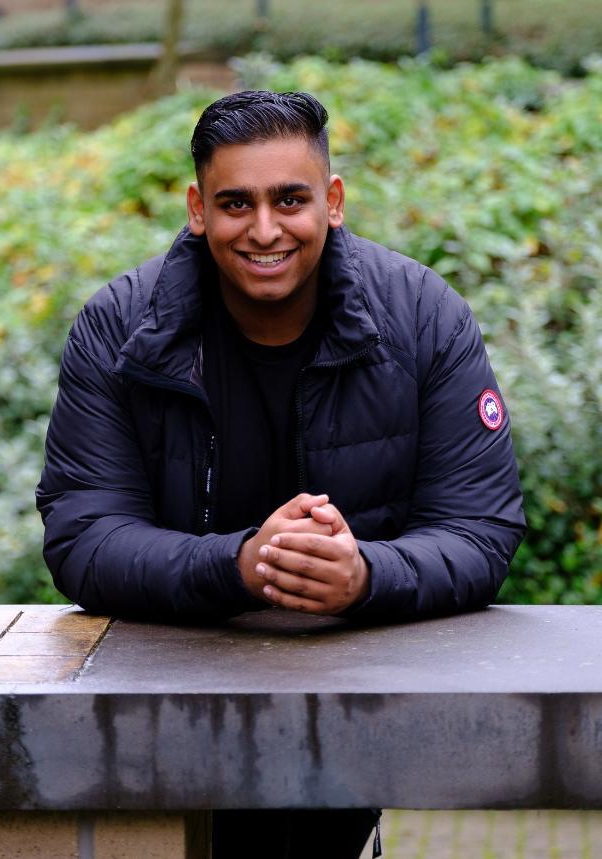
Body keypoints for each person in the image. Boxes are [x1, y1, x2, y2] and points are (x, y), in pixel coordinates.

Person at [36, 90, 525, 858]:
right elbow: (83, 534)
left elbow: (482, 529)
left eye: (290, 199)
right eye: (236, 203)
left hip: (350, 734)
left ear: (331, 201)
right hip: (159, 735)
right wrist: (238, 564)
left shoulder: (426, 316)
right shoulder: (117, 328)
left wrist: (366, 574)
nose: (265, 230)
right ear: (198, 209)